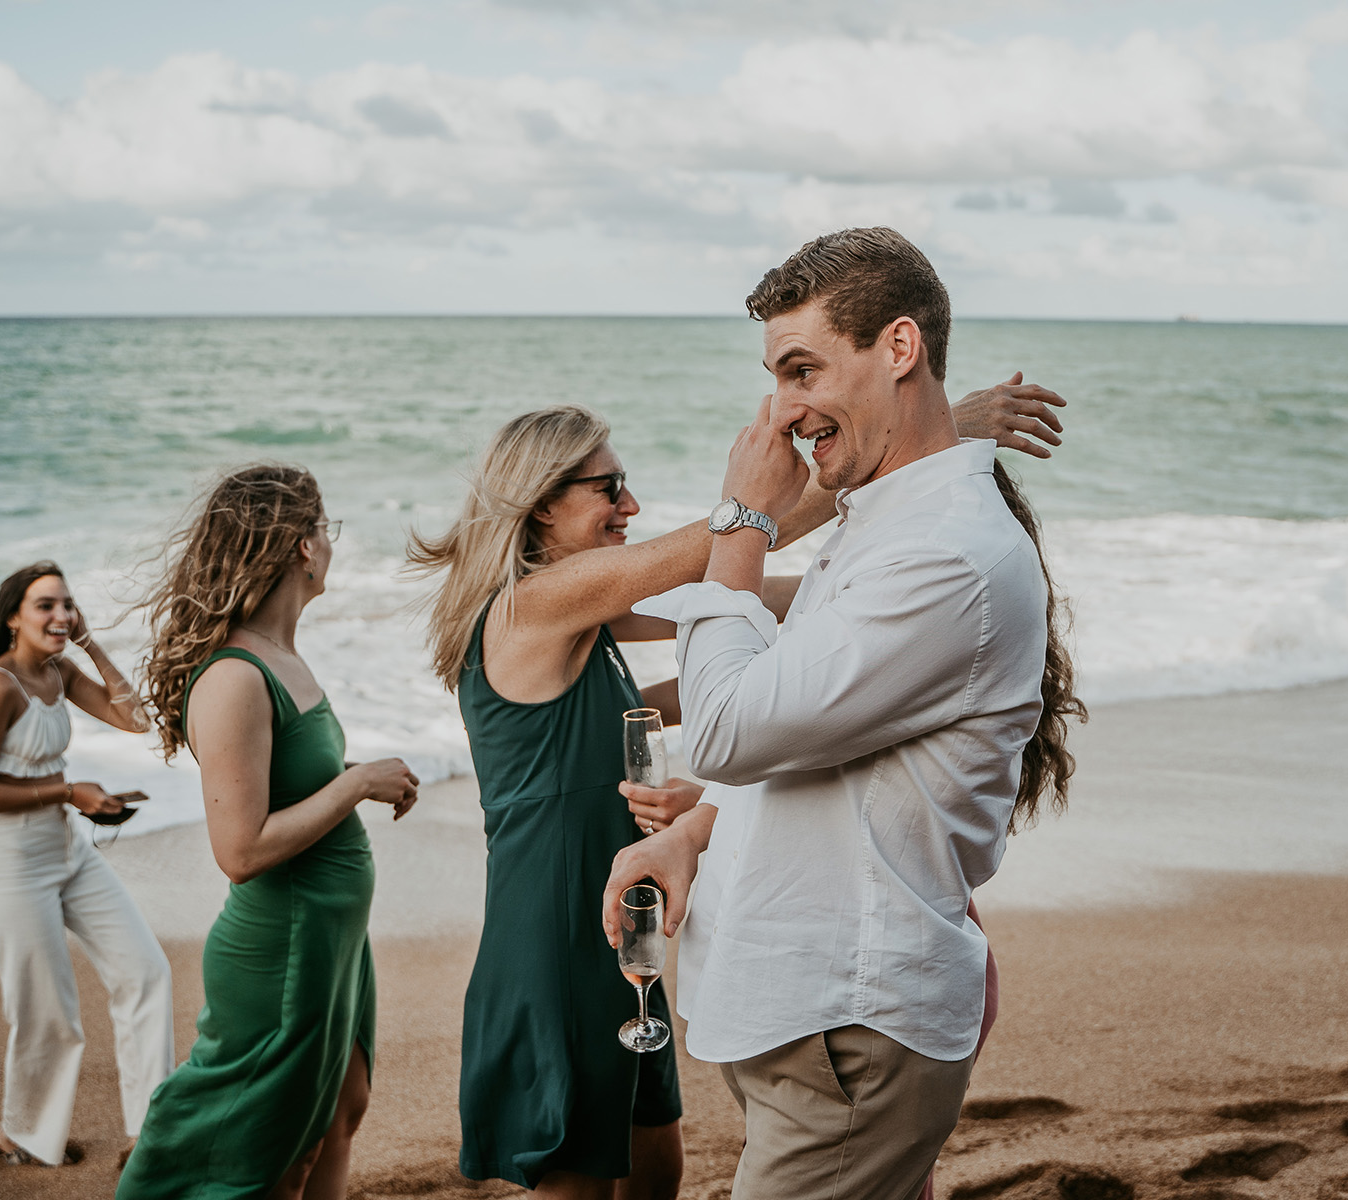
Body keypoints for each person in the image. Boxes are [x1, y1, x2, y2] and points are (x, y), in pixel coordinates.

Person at [405, 373, 1066, 1198]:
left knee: (657, 1165)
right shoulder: (535, 604)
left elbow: (741, 599)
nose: (630, 504)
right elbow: (721, 549)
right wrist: (930, 437)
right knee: (575, 1171)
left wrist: (862, 593)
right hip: (552, 920)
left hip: (625, 912)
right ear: (541, 504)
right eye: (608, 487)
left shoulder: (588, 621)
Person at [604, 227, 1085, 1200]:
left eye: (802, 369)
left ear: (898, 349)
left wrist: (742, 525)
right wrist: (693, 835)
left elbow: (731, 729)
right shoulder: (887, 521)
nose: (781, 412)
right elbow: (815, 756)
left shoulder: (942, 554)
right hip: (813, 1023)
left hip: (849, 1035)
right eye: (776, 377)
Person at [118, 465, 419, 1200]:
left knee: (340, 1113)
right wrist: (356, 783)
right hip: (283, 948)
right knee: (275, 1154)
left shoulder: (280, 656)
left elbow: (283, 776)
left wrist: (350, 775)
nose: (330, 547)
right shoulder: (234, 676)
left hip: (331, 938)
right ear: (301, 548)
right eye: (326, 531)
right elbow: (240, 851)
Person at [0, 561, 174, 1169]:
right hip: (13, 866)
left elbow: (132, 717)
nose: (60, 615)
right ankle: (21, 1135)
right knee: (48, 1014)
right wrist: (66, 792)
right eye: (45, 606)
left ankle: (152, 1134)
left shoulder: (60, 669)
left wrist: (88, 642)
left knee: (146, 972)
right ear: (13, 617)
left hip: (68, 852)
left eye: (67, 605)